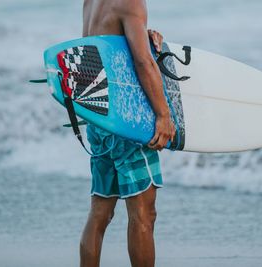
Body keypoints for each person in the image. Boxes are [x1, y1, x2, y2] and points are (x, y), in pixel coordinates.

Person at [80, 0, 176, 266]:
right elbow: (143, 63)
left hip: (99, 118)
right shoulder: (131, 1)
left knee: (100, 213)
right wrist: (163, 115)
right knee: (144, 214)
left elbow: (102, 48)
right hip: (127, 120)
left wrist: (140, 35)